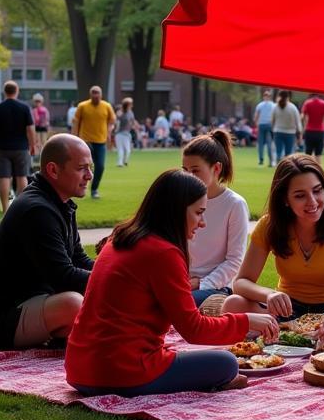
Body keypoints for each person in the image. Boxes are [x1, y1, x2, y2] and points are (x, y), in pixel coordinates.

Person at [65, 169, 278, 397]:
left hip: (79, 368)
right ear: (176, 211)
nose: (202, 222)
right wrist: (246, 321)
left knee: (212, 360)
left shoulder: (119, 238)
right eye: (198, 213)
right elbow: (194, 330)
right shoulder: (163, 252)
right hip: (121, 372)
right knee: (226, 362)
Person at [222, 154, 324, 339]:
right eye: (300, 195)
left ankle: (314, 333)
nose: (312, 201)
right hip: (286, 312)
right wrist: (269, 294)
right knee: (233, 304)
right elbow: (240, 282)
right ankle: (292, 331)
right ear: (285, 200)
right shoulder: (269, 226)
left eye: (317, 191)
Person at [0, 135, 95, 350]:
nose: (89, 175)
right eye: (81, 168)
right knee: (74, 303)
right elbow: (63, 276)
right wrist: (116, 281)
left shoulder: (59, 202)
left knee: (88, 298)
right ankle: (68, 334)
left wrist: (113, 269)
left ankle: (66, 335)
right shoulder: (37, 210)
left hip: (29, 304)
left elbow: (78, 258)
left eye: (90, 167)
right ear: (53, 170)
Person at [182, 130, 250, 308]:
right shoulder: (180, 200)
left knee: (180, 306)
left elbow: (235, 261)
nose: (189, 177)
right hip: (182, 282)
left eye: (195, 170)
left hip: (217, 287)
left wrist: (200, 284)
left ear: (216, 168)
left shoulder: (235, 205)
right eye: (185, 171)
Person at [0, 80, 37, 212]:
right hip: (21, 147)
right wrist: (33, 145)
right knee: (22, 176)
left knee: (4, 177)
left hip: (3, 147)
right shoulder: (24, 107)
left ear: (5, 92)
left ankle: (5, 209)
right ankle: (19, 208)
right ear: (17, 91)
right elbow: (30, 129)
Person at [72, 85, 116, 199]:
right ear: (90, 94)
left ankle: (94, 189)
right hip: (85, 141)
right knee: (83, 166)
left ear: (101, 94)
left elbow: (112, 121)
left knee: (100, 166)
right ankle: (78, 187)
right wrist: (74, 137)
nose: (95, 95)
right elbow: (76, 122)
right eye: (93, 92)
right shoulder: (83, 106)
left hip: (100, 141)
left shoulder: (106, 106)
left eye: (97, 93)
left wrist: (109, 132)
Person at [271, 90, 302, 161]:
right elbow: (298, 121)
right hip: (290, 133)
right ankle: (287, 167)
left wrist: (273, 129)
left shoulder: (275, 107)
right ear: (288, 97)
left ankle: (278, 166)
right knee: (289, 153)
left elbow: (272, 120)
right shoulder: (292, 107)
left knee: (278, 152)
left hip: (278, 131)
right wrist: (299, 132)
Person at [300, 92, 324, 157]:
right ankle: (318, 166)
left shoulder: (307, 103)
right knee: (318, 154)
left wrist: (301, 131)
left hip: (309, 131)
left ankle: (308, 166)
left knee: (308, 154)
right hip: (320, 132)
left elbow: (302, 117)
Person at [254, 89, 275, 166]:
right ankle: (270, 159)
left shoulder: (260, 105)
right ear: (270, 97)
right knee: (269, 143)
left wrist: (256, 125)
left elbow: (256, 116)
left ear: (264, 97)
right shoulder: (273, 105)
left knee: (261, 144)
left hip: (262, 125)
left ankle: (261, 159)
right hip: (269, 125)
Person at [115, 97, 138, 167]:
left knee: (128, 150)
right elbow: (116, 121)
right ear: (127, 105)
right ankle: (120, 163)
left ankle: (125, 161)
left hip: (127, 134)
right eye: (131, 104)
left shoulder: (131, 113)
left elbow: (133, 121)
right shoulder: (120, 112)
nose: (132, 105)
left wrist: (135, 126)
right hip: (119, 134)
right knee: (120, 149)